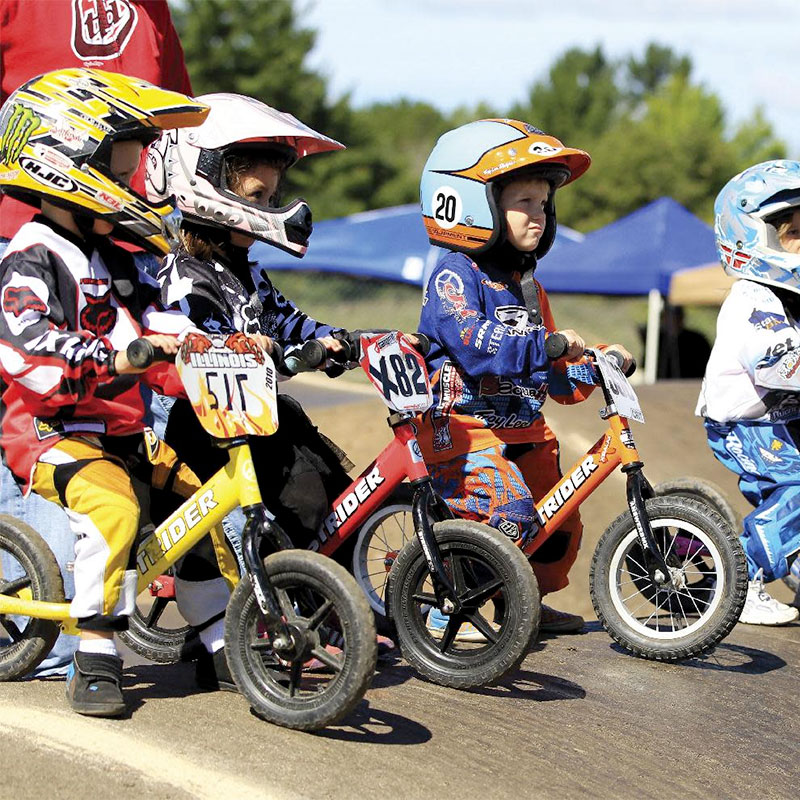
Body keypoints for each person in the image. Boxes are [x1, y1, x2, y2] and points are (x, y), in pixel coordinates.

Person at [0, 68, 239, 717]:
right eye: (122, 164)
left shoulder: (112, 253)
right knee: (111, 512)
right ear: (69, 159)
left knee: (200, 506)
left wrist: (210, 344)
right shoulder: (33, 255)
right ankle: (95, 655)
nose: (132, 180)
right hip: (51, 433)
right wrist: (113, 355)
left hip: (126, 431)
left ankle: (219, 639)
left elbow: (155, 323)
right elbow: (25, 347)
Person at [415, 119, 633, 638]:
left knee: (559, 522)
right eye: (524, 203)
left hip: (523, 428)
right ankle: (446, 607)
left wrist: (598, 363)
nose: (538, 215)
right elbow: (476, 344)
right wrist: (547, 346)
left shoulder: (530, 288)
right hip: (464, 430)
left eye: (544, 204)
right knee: (509, 512)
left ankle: (521, 603)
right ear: (472, 204)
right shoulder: (454, 276)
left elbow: (556, 377)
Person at [146, 92, 355, 559]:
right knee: (302, 500)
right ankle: (298, 607)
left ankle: (351, 597)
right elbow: (192, 341)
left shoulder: (248, 270)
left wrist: (344, 339)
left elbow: (288, 320)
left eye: (274, 196)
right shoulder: (182, 275)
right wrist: (238, 344)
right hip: (197, 427)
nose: (271, 207)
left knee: (335, 487)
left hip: (252, 418)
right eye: (257, 196)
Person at [696, 159, 800, 626]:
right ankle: (739, 579)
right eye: (793, 233)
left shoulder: (788, 297)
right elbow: (780, 363)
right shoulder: (753, 299)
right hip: (746, 423)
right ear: (751, 237)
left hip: (781, 420)